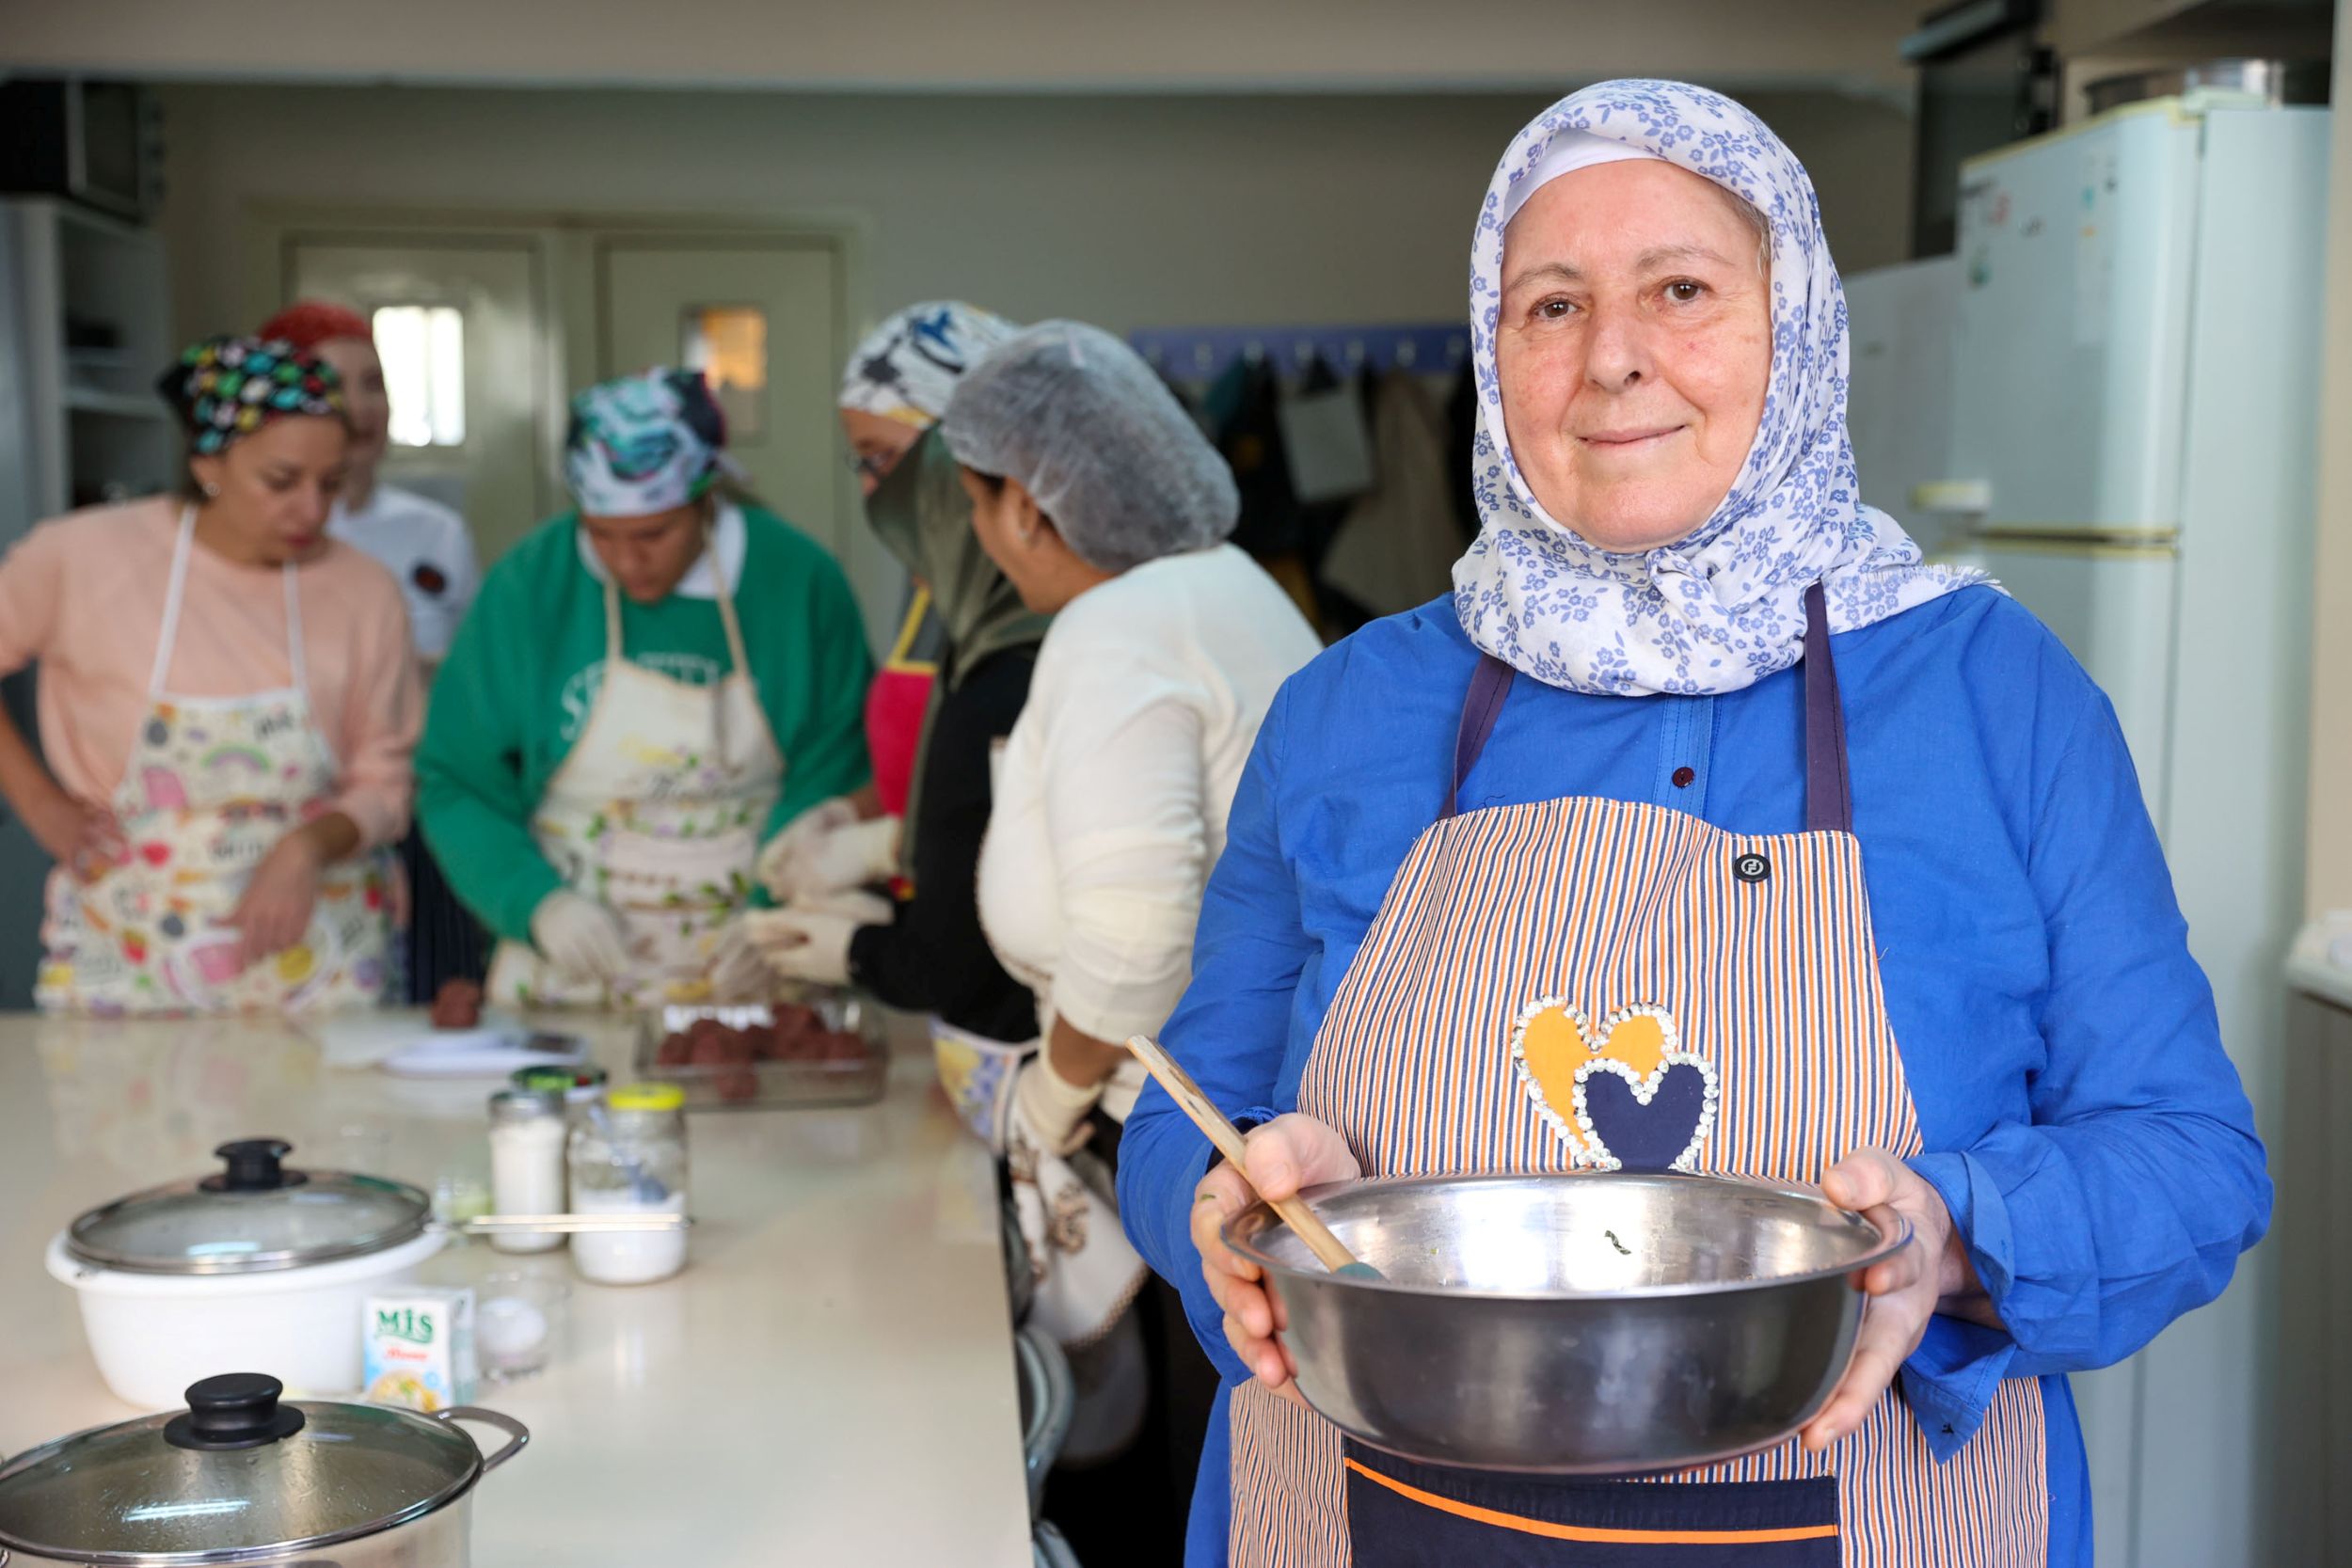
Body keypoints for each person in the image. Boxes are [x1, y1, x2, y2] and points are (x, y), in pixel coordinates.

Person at [1117, 81, 2270, 1567]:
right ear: (1495, 349)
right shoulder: (1349, 707)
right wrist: (1219, 1209)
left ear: (1794, 328)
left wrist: (1954, 1229)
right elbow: (1177, 1103)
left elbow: (2191, 1159)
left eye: (1681, 290)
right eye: (1550, 305)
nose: (1612, 358)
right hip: (1366, 1516)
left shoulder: (1996, 692)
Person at [938, 321, 1323, 1563]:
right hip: (1272, 1106)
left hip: (1181, 1126)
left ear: (1031, 512)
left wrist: (1048, 1093)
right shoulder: (1231, 588)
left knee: (1158, 1483)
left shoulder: (1116, 627)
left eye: (977, 504)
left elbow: (1137, 931)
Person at [417, 368, 871, 1008]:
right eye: (601, 535)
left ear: (706, 497)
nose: (627, 562)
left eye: (654, 535)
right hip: (568, 972)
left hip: (758, 966)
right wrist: (535, 903)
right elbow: (455, 781)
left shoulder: (797, 582)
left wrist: (776, 909)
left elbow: (835, 773)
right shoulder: (530, 587)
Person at [0, 335, 420, 1012]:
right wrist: (41, 804)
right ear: (208, 463)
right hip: (133, 945)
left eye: (332, 483)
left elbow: (386, 780)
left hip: (322, 957)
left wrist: (306, 848)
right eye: (281, 482)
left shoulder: (364, 591)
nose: (312, 511)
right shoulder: (82, 557)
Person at [755, 303, 1043, 1122]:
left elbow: (1018, 802)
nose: (876, 493)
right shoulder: (932, 594)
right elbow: (930, 763)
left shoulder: (1025, 605)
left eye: (886, 460)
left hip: (998, 983)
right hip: (933, 962)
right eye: (862, 466)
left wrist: (886, 848)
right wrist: (844, 816)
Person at [259, 299, 489, 1002]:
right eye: (334, 384)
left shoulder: (435, 532)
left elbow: (477, 678)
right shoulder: (262, 536)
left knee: (436, 996)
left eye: (374, 384)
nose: (360, 408)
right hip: (300, 815)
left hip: (426, 809)